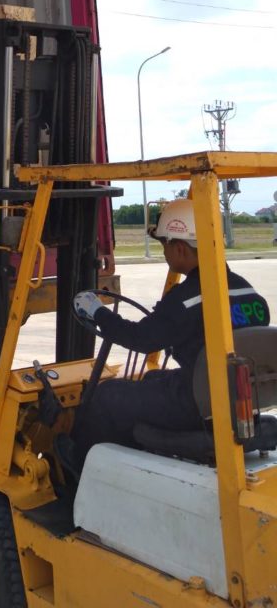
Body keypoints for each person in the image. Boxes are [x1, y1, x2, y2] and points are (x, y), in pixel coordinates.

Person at [64, 198, 270, 476]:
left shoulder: (187, 300)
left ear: (180, 248)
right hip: (233, 398)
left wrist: (97, 312)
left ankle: (77, 469)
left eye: (164, 245)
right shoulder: (248, 292)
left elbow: (140, 338)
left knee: (107, 395)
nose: (164, 252)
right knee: (151, 378)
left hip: (196, 404)